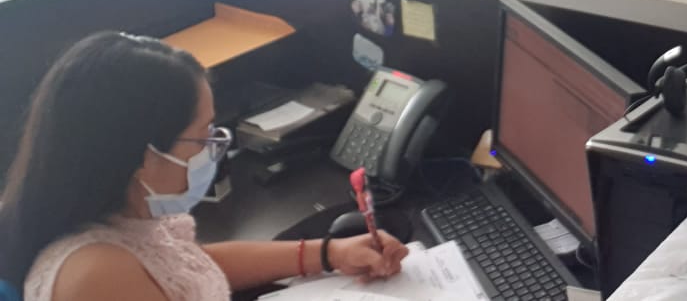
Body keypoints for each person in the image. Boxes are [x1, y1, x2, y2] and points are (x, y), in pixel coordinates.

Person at [0, 32, 410, 301]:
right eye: (202, 137)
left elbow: (186, 266)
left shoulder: (123, 217)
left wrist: (329, 252)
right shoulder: (98, 276)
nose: (212, 150)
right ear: (144, 156)